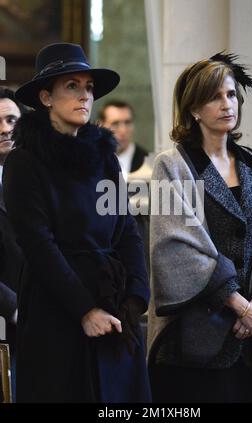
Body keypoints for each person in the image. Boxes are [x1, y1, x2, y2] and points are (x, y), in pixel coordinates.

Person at [2, 43, 151, 403]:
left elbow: (126, 230)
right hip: (57, 310)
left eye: (88, 87)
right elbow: (38, 244)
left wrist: (135, 295)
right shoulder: (25, 162)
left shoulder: (104, 157)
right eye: (72, 86)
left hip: (114, 304)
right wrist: (85, 309)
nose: (84, 95)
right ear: (46, 97)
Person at [147, 52, 252, 403]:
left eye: (231, 95)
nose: (227, 104)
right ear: (194, 109)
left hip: (251, 338)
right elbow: (175, 248)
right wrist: (238, 304)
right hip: (194, 341)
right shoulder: (173, 165)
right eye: (214, 97)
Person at [0, 87, 25, 402]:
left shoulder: (43, 176)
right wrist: (15, 307)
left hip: (47, 325)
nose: (5, 129)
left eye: (11, 119)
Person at [98, 100, 147, 180]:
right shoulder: (92, 160)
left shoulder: (146, 161)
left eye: (127, 122)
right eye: (115, 123)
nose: (123, 130)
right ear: (101, 126)